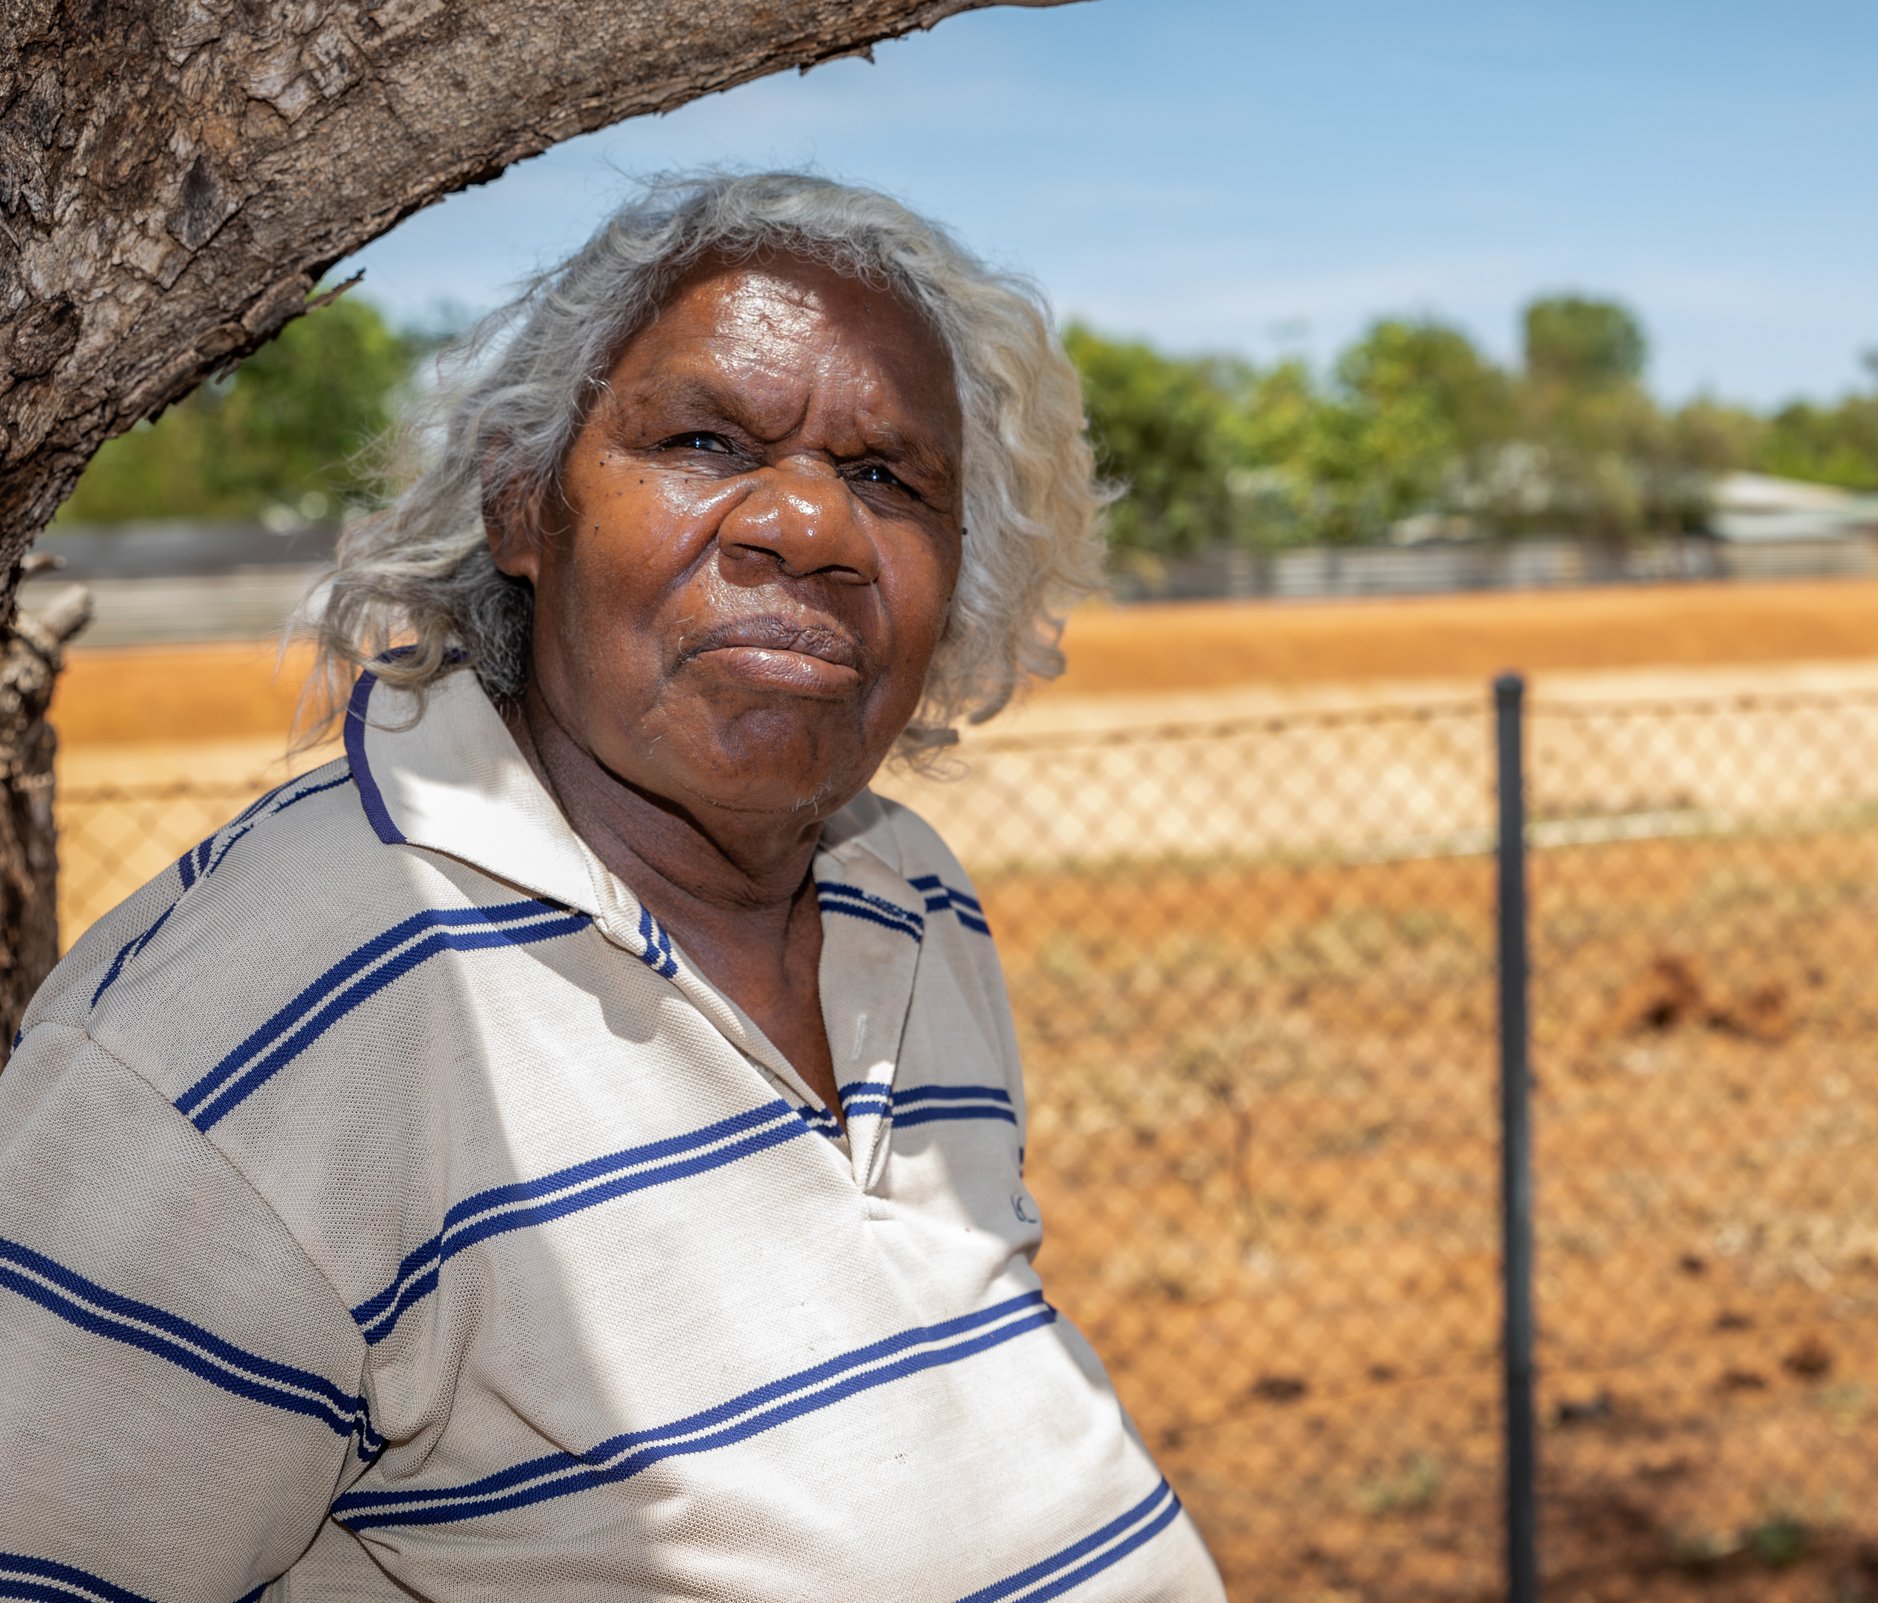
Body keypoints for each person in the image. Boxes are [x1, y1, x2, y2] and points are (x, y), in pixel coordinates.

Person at [0, 173, 1227, 1602]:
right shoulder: (276, 1009)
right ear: (525, 507)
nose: (810, 526)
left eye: (889, 477)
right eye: (707, 439)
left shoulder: (908, 896)